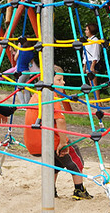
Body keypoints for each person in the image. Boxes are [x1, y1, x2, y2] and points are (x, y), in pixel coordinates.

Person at [23, 65, 93, 200]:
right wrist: (63, 142)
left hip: (33, 143)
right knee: (73, 153)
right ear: (49, 81)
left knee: (56, 161)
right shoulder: (50, 95)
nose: (63, 82)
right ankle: (79, 190)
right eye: (59, 79)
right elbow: (60, 120)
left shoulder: (36, 95)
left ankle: (51, 189)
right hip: (47, 141)